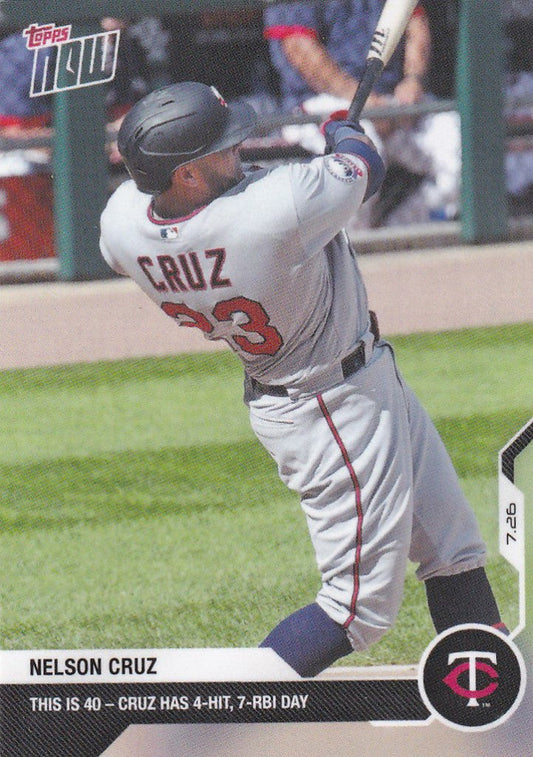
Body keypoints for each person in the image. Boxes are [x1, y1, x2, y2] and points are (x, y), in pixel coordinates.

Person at [99, 82, 507, 678]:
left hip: (326, 385)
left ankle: (489, 698)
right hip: (332, 406)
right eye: (221, 147)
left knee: (452, 548)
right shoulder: (271, 212)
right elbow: (363, 163)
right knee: (356, 611)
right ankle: (218, 717)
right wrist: (342, 130)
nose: (236, 149)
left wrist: (326, 147)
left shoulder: (122, 226)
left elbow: (229, 202)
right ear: (185, 175)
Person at [263, 1, 461, 225]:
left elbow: (414, 21)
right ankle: (357, 245)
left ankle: (397, 233)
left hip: (392, 102)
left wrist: (413, 81)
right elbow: (299, 49)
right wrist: (363, 100)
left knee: (463, 147)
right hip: (319, 104)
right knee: (359, 155)